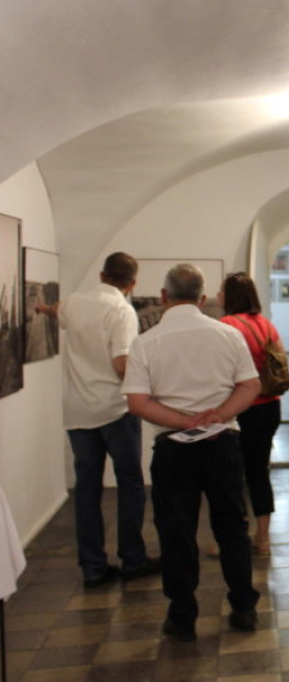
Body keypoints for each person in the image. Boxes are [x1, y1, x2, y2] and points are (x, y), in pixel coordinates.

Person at [123, 264, 261, 641]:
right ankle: (244, 607)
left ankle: (182, 614)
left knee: (176, 532)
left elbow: (137, 402)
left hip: (173, 450)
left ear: (165, 296)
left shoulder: (145, 341)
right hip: (223, 444)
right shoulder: (227, 335)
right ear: (202, 299)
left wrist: (183, 422)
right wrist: (219, 415)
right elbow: (250, 386)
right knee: (232, 527)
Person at [47, 252, 159, 587]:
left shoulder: (74, 303)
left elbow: (59, 311)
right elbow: (121, 364)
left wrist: (45, 309)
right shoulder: (122, 310)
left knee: (86, 488)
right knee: (130, 484)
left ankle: (93, 567)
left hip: (78, 411)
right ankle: (132, 558)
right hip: (114, 409)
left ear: (101, 275)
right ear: (132, 283)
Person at [218, 272, 284, 555]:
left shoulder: (226, 325)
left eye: (222, 291)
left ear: (229, 296)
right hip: (270, 406)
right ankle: (263, 538)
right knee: (259, 472)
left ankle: (234, 539)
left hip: (240, 408)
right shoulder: (266, 325)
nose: (218, 296)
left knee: (231, 475)